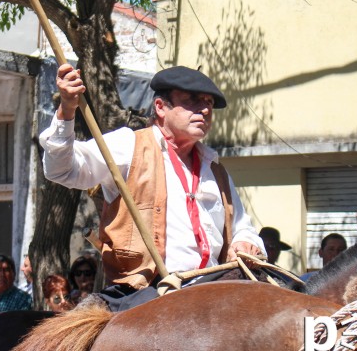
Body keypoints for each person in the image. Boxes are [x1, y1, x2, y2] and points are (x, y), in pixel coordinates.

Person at [40, 64, 265, 310]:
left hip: (210, 291)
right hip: (143, 292)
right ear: (160, 107)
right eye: (191, 101)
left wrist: (244, 243)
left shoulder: (216, 170)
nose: (204, 109)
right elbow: (61, 170)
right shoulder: (130, 145)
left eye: (208, 103)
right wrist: (67, 110)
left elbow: (244, 228)